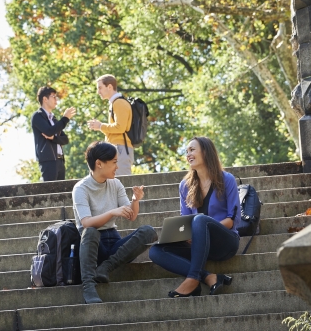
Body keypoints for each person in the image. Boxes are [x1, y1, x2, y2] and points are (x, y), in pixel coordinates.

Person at [149, 136, 240, 297]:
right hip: (198, 247)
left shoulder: (227, 179)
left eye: (192, 150)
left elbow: (232, 220)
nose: (188, 154)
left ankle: (192, 278)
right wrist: (186, 235)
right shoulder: (185, 185)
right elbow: (185, 221)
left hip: (224, 243)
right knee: (155, 251)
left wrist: (202, 228)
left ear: (205, 152)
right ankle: (208, 277)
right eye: (186, 151)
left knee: (200, 220)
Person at [72, 141, 158, 304]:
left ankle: (106, 267)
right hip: (93, 246)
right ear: (99, 164)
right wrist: (112, 212)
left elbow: (131, 216)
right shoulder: (81, 189)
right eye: (114, 162)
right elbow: (86, 223)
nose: (117, 167)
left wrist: (135, 200)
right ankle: (88, 286)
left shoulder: (115, 183)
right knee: (89, 231)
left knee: (148, 231)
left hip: (114, 243)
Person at [87, 74, 133, 176]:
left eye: (100, 88)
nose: (98, 91)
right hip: (117, 148)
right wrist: (99, 127)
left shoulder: (119, 103)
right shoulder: (115, 103)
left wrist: (100, 126)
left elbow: (120, 127)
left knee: (123, 183)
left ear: (110, 87)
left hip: (120, 148)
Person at [31, 86, 76, 181]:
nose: (56, 100)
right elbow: (49, 131)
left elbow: (65, 139)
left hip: (60, 160)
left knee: (60, 192)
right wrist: (65, 118)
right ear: (45, 99)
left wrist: (53, 138)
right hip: (48, 160)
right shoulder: (37, 116)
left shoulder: (53, 119)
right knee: (50, 192)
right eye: (54, 96)